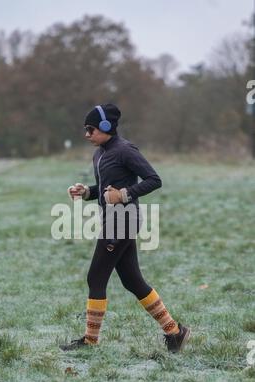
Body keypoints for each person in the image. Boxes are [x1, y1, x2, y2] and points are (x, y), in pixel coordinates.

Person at [60, 104, 190, 353]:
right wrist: (87, 192)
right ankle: (175, 332)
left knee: (95, 277)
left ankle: (90, 341)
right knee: (132, 281)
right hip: (113, 220)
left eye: (91, 129)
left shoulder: (125, 150)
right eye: (85, 129)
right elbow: (107, 190)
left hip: (123, 221)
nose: (86, 134)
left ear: (107, 127)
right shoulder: (100, 153)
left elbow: (154, 180)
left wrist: (125, 194)